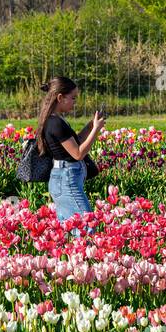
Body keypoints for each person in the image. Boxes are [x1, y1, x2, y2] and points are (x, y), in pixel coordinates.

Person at [36, 76, 105, 225]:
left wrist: (91, 126)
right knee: (87, 227)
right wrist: (97, 130)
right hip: (67, 180)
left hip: (63, 178)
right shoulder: (55, 123)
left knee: (71, 230)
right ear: (60, 97)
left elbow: (76, 141)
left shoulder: (56, 120)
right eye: (73, 98)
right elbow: (78, 153)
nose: (75, 102)